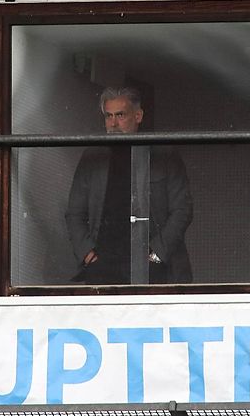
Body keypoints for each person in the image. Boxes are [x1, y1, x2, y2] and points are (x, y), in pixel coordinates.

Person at [65, 86, 193, 284]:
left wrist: (156, 255)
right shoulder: (93, 157)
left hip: (155, 270)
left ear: (138, 116)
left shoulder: (164, 154)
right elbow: (74, 212)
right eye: (108, 116)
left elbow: (182, 210)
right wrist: (89, 255)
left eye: (120, 115)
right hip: (104, 267)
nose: (113, 123)